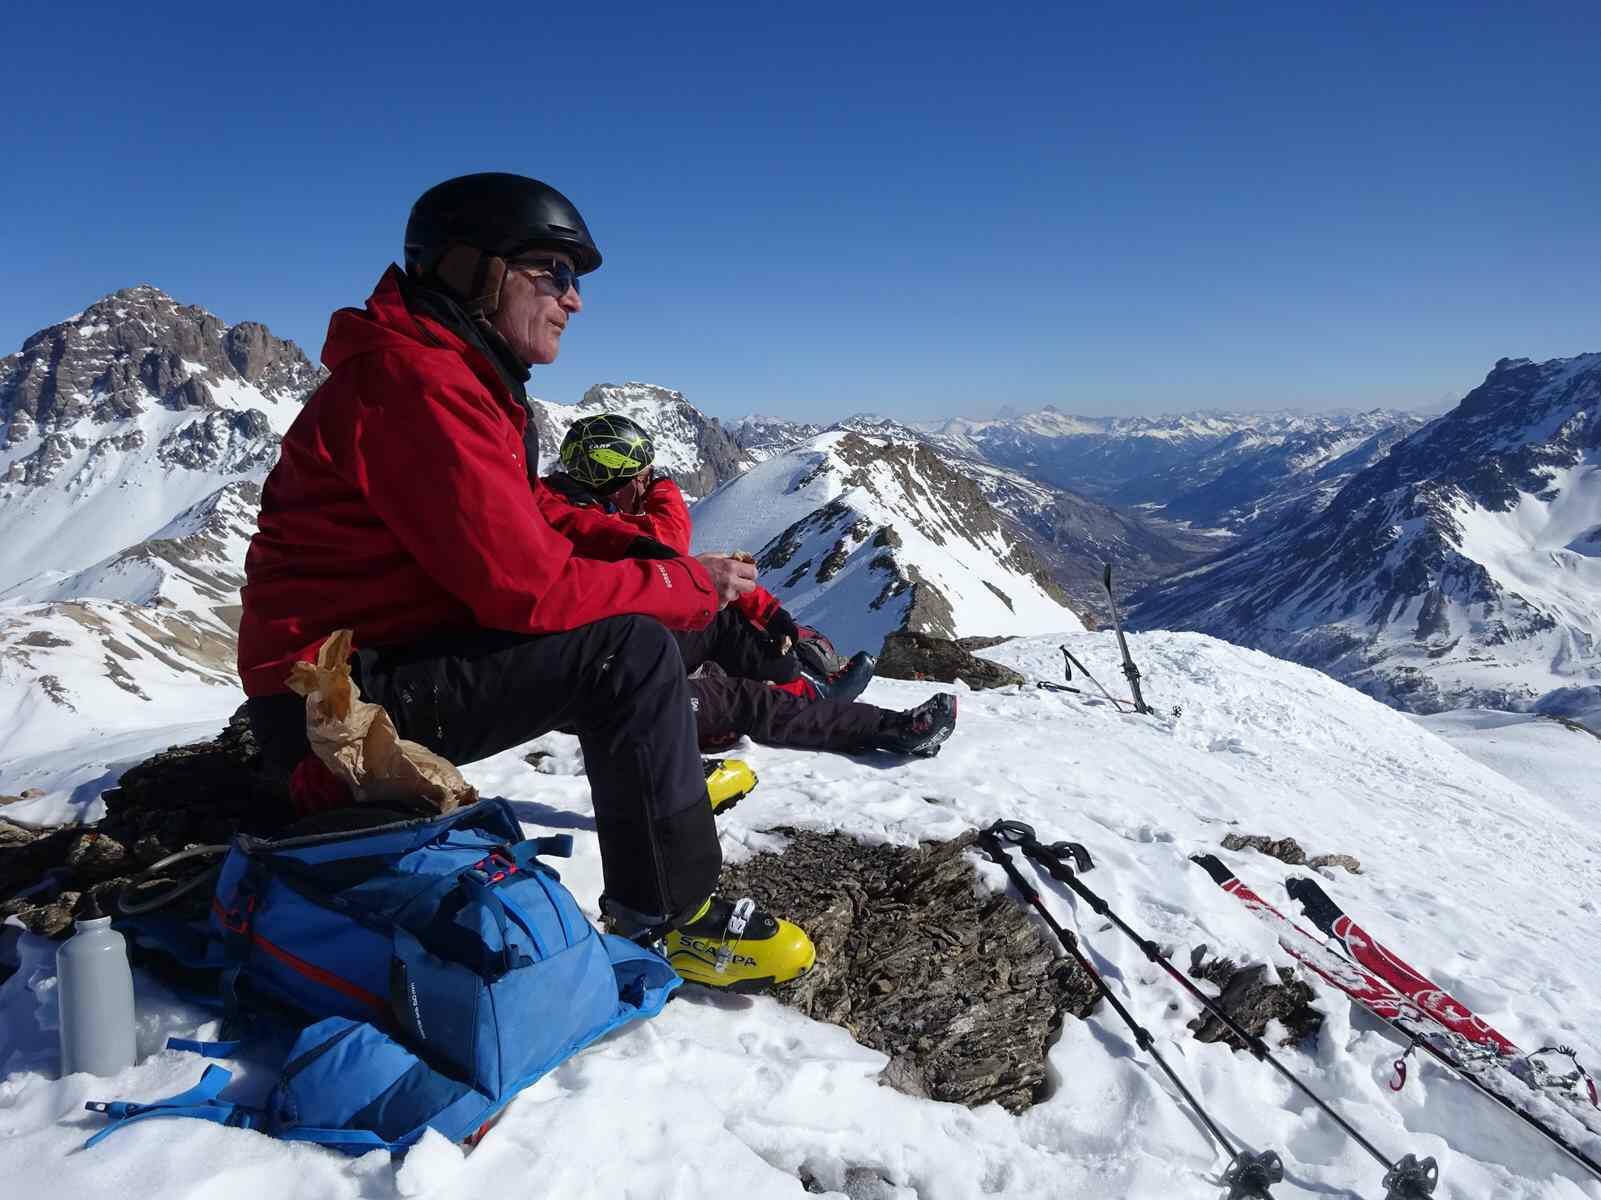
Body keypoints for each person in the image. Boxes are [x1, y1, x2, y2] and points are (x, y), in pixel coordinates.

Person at [235, 172, 813, 990]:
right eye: (554, 272)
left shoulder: (445, 372)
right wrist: (682, 588)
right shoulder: (416, 384)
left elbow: (528, 510)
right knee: (626, 653)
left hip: (370, 665)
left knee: (638, 624)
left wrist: (666, 565)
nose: (573, 299)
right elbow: (524, 588)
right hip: (332, 709)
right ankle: (669, 918)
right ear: (474, 270)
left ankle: (664, 787)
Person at [536, 414, 876, 704]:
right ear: (613, 480)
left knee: (719, 611)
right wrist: (664, 490)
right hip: (596, 656)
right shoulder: (583, 519)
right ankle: (810, 694)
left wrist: (768, 610)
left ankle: (801, 676)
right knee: (719, 621)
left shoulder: (565, 502)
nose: (646, 486)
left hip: (583, 646)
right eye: (642, 477)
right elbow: (667, 549)